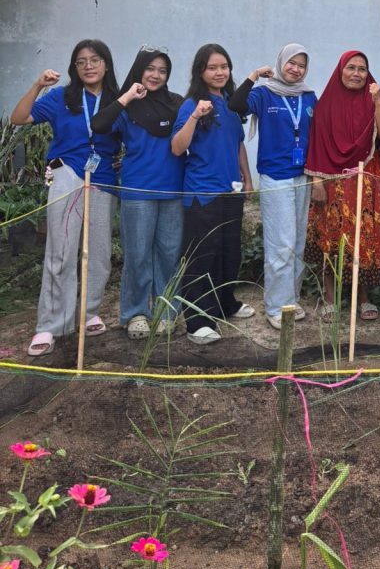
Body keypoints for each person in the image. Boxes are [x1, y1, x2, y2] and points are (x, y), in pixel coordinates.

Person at [10, 39, 121, 356]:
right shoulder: (62, 97)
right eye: (81, 61)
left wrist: (125, 161)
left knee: (99, 252)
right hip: (67, 173)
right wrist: (38, 85)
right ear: (74, 68)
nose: (88, 66)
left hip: (103, 178)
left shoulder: (118, 100)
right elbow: (19, 118)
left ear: (106, 64)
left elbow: (137, 135)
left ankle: (88, 311)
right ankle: (50, 324)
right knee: (61, 251)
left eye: (95, 60)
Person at [91, 47, 184, 339]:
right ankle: (136, 313)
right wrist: (128, 96)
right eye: (150, 69)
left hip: (173, 190)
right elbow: (98, 125)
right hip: (137, 191)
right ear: (139, 70)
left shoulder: (178, 103)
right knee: (137, 255)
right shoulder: (126, 106)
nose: (156, 75)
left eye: (162, 71)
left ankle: (167, 311)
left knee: (169, 255)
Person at [228, 44, 317, 330]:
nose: (296, 69)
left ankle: (291, 300)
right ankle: (276, 307)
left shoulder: (308, 95)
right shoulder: (264, 94)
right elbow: (235, 105)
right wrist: (254, 75)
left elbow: (318, 135)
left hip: (302, 176)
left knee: (298, 243)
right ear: (280, 64)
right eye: (291, 63)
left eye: (301, 65)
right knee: (281, 243)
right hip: (276, 177)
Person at [171, 44, 254, 345]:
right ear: (200, 72)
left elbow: (238, 143)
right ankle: (197, 321)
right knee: (201, 257)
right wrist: (195, 116)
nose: (220, 72)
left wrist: (247, 177)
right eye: (212, 68)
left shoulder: (231, 103)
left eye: (224, 67)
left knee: (229, 252)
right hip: (202, 193)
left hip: (231, 191)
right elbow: (177, 147)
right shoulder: (192, 104)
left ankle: (225, 303)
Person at [304, 50, 380, 321]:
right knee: (331, 238)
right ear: (340, 70)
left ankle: (362, 298)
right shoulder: (325, 104)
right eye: (351, 68)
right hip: (333, 184)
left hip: (366, 181)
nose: (356, 73)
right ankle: (330, 298)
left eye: (362, 69)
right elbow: (316, 145)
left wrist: (377, 100)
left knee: (362, 240)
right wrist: (317, 182)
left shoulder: (373, 98)